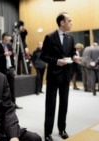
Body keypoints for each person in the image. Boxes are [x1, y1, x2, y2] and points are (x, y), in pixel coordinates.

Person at [40, 12, 78, 141]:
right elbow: (43, 56)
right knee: (50, 105)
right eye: (69, 20)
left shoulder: (70, 38)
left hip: (66, 75)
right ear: (62, 23)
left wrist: (75, 57)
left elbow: (72, 52)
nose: (71, 23)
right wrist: (56, 61)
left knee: (64, 104)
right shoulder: (50, 37)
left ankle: (62, 129)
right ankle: (47, 133)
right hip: (53, 75)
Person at [0, 32, 22, 109]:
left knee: (12, 88)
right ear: (2, 39)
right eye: (6, 40)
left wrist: (13, 65)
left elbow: (12, 57)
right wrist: (4, 55)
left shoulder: (9, 45)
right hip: (1, 70)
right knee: (1, 88)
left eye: (9, 40)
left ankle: (13, 104)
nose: (8, 42)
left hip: (10, 69)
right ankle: (2, 105)